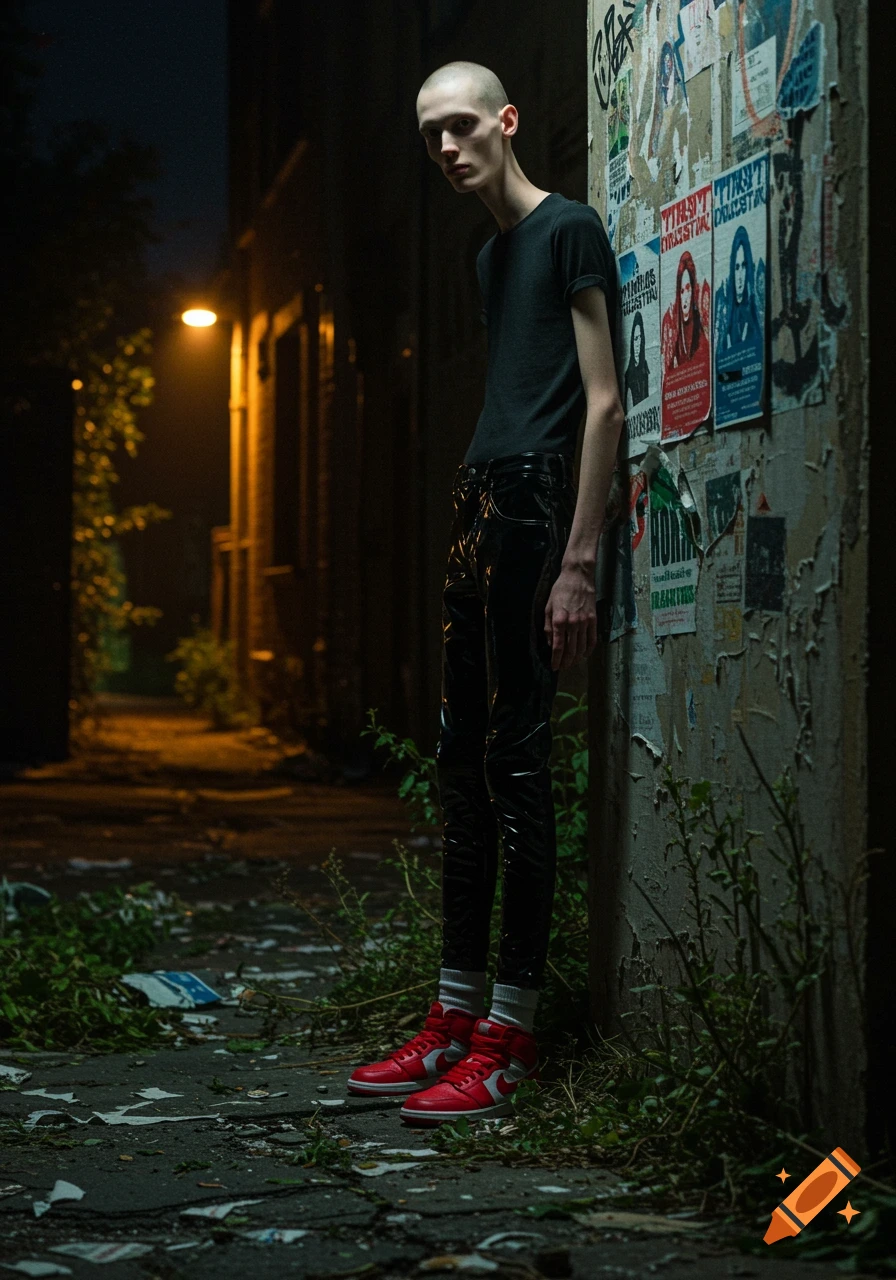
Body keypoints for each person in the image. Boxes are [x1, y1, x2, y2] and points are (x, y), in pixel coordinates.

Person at [346, 60, 624, 1126]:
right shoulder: (485, 256)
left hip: (535, 506)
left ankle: (511, 1035)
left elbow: (601, 405)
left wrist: (577, 560)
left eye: (461, 126)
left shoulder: (566, 230)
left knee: (516, 771)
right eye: (430, 136)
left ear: (506, 122)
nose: (447, 148)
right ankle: (452, 1018)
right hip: (475, 498)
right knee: (460, 771)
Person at [722, 225, 761, 349]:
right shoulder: (728, 318)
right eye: (736, 267)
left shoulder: (753, 315)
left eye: (744, 267)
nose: (739, 276)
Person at [667, 249, 707, 368]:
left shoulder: (700, 336)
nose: (685, 297)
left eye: (688, 289)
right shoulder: (677, 340)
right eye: (682, 291)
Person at [623, 310, 650, 406]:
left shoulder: (645, 367)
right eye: (635, 339)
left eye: (640, 338)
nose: (637, 343)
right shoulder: (629, 373)